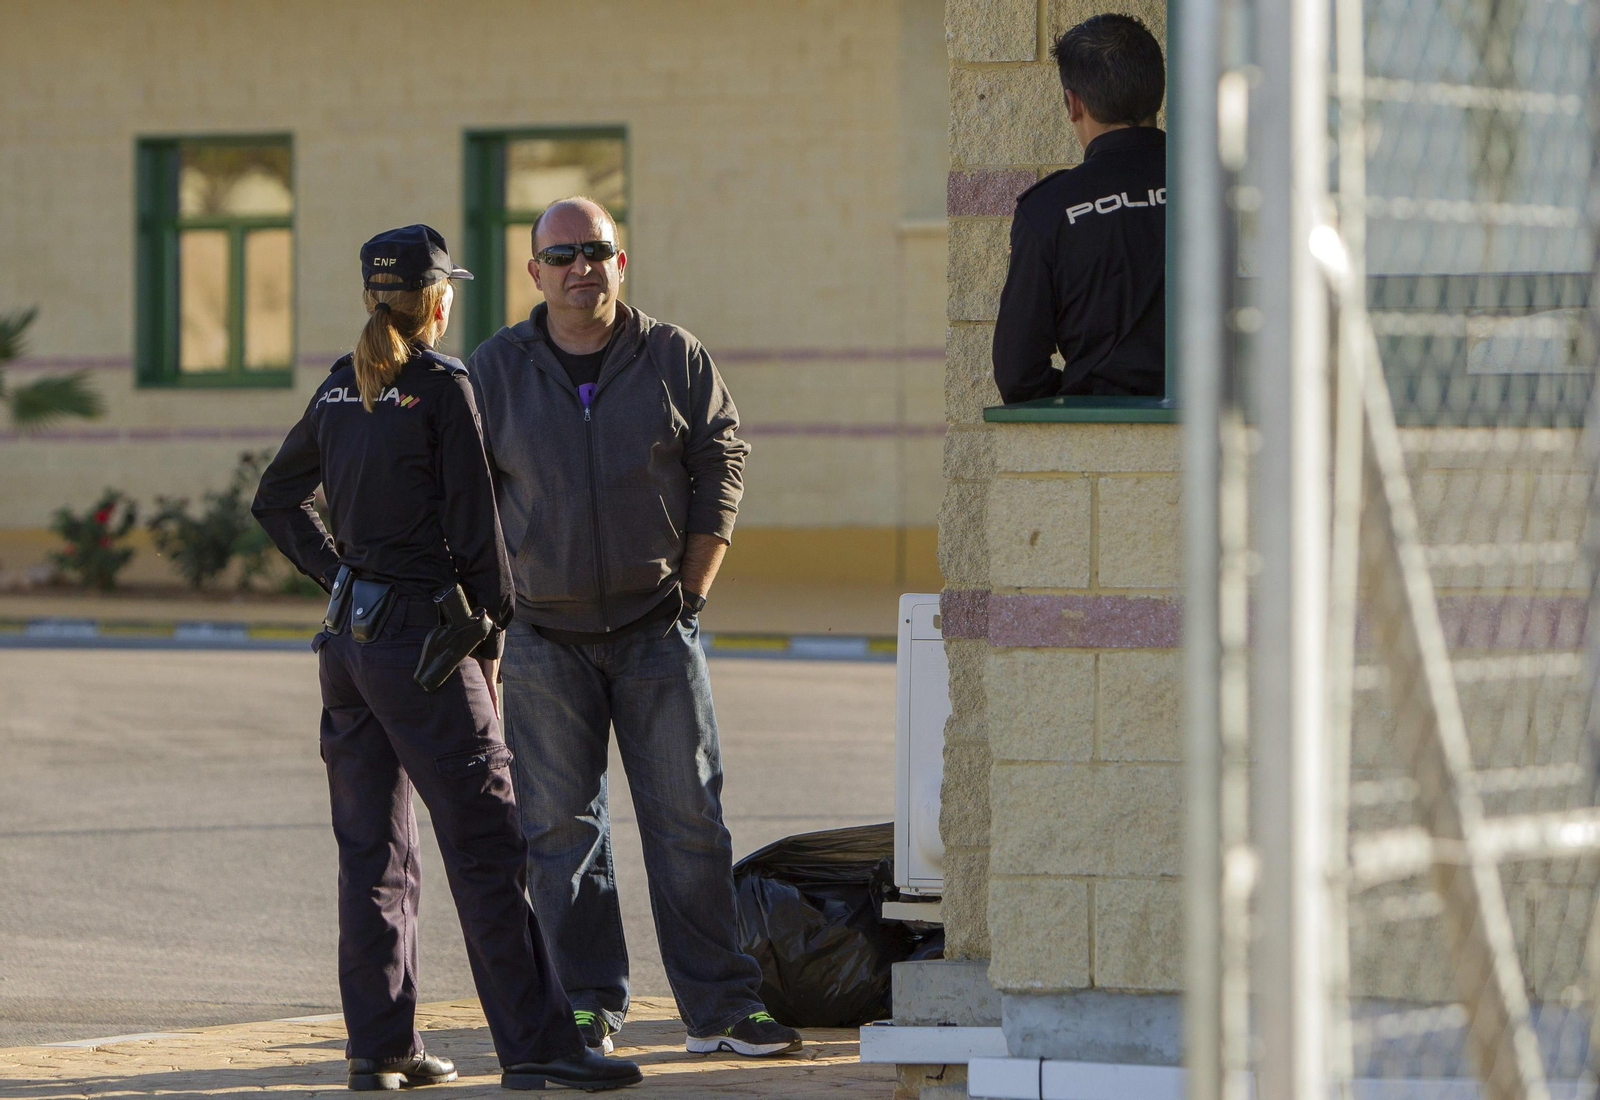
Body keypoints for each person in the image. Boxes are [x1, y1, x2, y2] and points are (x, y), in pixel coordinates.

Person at [252, 223, 642, 1093]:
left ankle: (381, 1049)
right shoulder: (439, 386)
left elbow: (274, 500)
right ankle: (539, 1045)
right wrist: (493, 638)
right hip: (427, 648)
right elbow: (480, 540)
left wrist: (342, 573)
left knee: (373, 854)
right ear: (438, 300)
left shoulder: (337, 389)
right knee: (489, 848)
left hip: (349, 648)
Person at [467, 198, 801, 1059]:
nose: (582, 266)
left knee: (690, 824)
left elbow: (721, 453)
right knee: (560, 836)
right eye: (563, 253)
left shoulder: (674, 356)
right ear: (535, 272)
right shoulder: (495, 369)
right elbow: (464, 499)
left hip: (658, 629)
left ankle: (722, 1007)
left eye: (597, 250)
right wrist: (492, 616)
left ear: (623, 261)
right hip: (543, 638)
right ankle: (585, 1005)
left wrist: (695, 584)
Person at [992, 12, 1167, 403]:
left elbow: (1018, 375)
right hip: (1225, 438)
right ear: (1158, 92)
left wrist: (1084, 394)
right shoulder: (1223, 189)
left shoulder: (1048, 209)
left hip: (1095, 439)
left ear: (1074, 103)